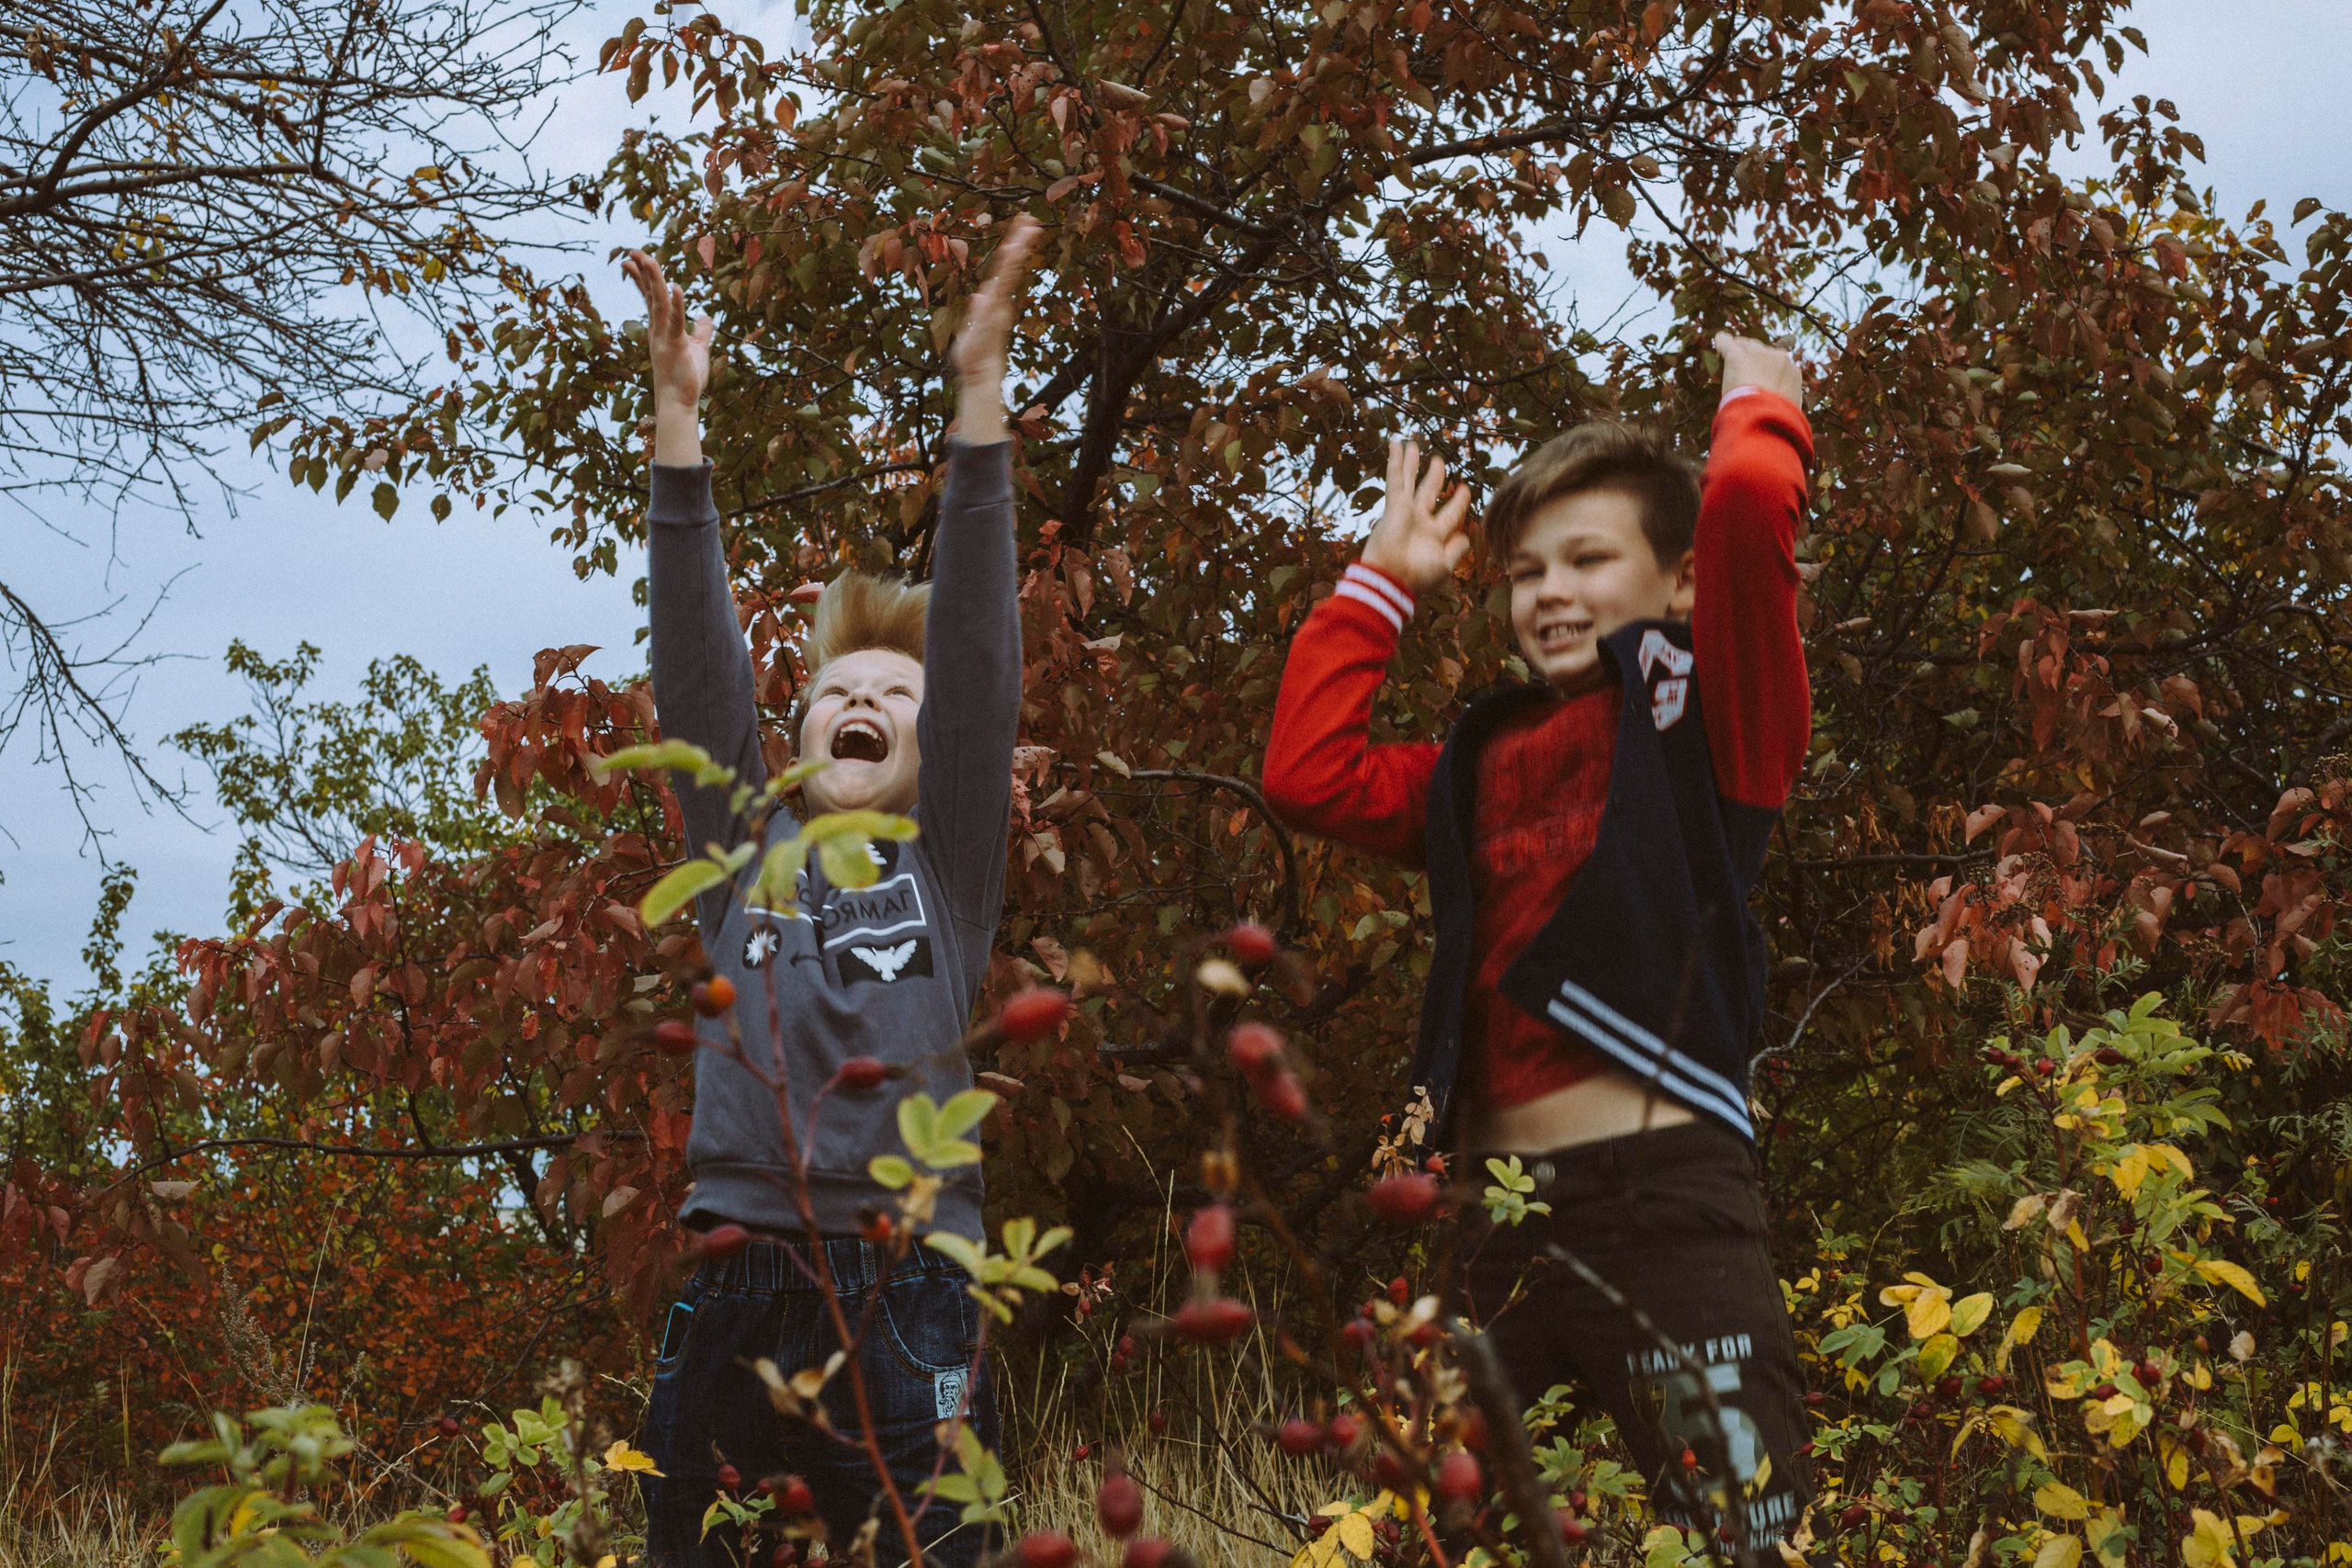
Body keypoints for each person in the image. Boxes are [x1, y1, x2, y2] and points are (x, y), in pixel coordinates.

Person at [1261, 336, 1815, 1551]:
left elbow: (1749, 505)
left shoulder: (1714, 720)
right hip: (1495, 1218)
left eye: (1588, 560)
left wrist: (1759, 402)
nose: (1549, 591)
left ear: (1676, 585)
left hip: (1668, 1204)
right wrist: (1385, 577)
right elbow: (1307, 773)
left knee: (1743, 1533)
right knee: (1401, 1533)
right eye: (1525, 572)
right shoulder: (1477, 763)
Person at [625, 218, 1040, 1568]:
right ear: (795, 737)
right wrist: (676, 433)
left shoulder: (947, 866)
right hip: (737, 1262)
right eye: (831, 692)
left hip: (914, 1278)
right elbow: (696, 676)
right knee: (702, 1543)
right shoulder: (743, 853)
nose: (857, 700)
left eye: (889, 697)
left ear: (934, 753)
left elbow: (977, 664)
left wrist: (978, 405)